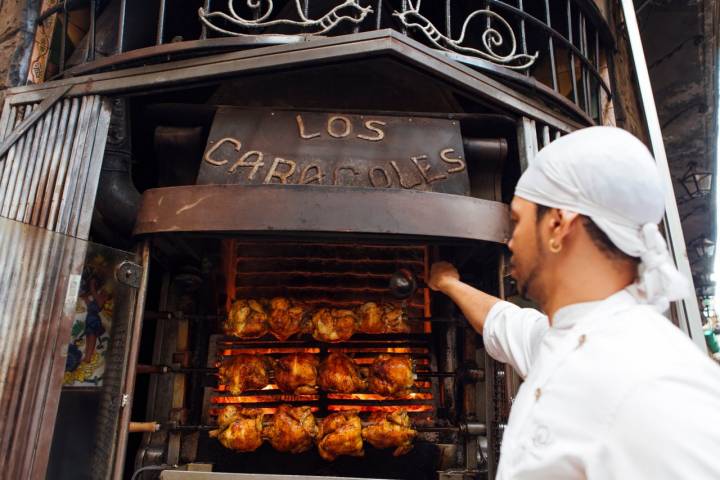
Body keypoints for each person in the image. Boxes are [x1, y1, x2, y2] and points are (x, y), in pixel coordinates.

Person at [428, 126, 720, 479]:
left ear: (557, 225)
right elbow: (502, 321)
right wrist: (449, 284)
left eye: (517, 221)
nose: (510, 241)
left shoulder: (654, 385)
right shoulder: (565, 338)